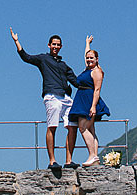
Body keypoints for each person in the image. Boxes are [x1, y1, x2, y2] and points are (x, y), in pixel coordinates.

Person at [10, 28, 82, 170]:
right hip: (52, 95)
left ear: (61, 47)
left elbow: (77, 82)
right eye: (53, 44)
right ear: (49, 45)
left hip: (66, 97)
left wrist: (92, 78)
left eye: (58, 45)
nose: (55, 46)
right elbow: (26, 57)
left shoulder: (64, 65)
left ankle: (69, 160)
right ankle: (52, 161)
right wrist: (17, 41)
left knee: (73, 126)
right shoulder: (43, 59)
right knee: (52, 126)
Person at [66, 35, 110, 167]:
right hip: (82, 98)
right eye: (88, 58)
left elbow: (97, 90)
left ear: (97, 59)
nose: (89, 59)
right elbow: (86, 55)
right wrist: (87, 43)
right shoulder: (88, 68)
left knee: (83, 127)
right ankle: (94, 158)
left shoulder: (97, 72)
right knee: (90, 129)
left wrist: (93, 106)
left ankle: (93, 155)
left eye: (92, 58)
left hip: (89, 100)